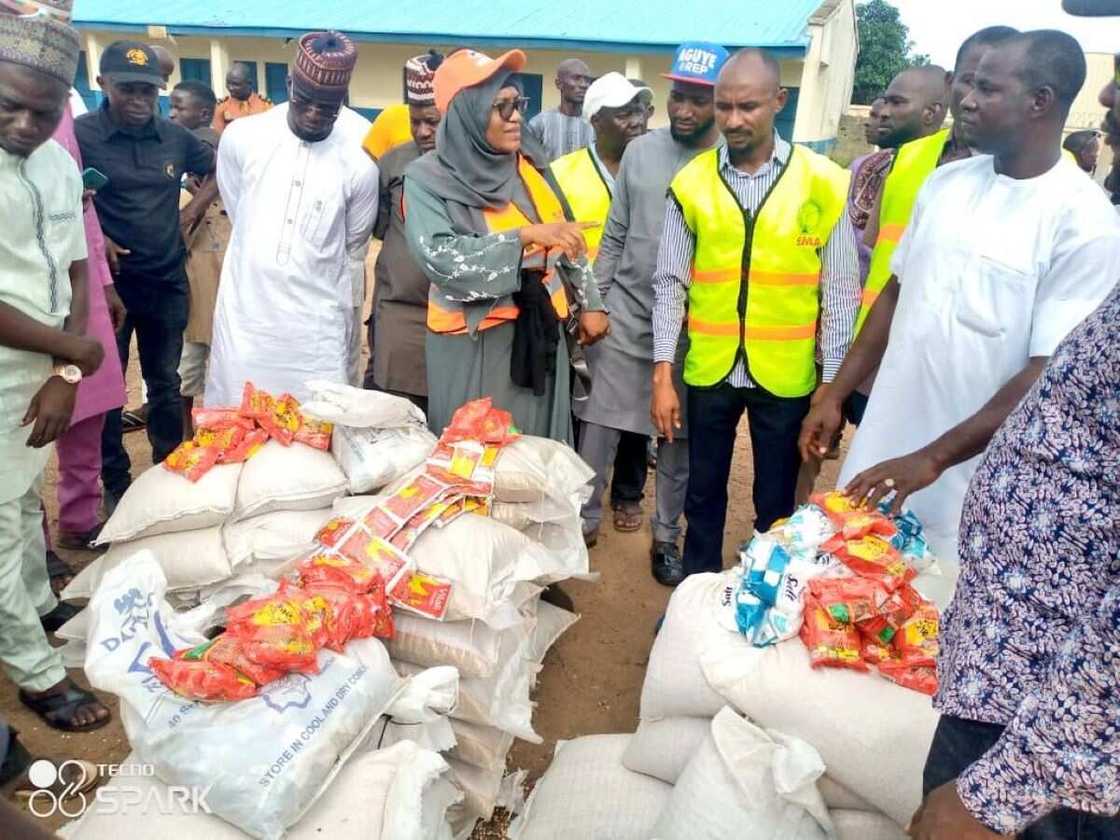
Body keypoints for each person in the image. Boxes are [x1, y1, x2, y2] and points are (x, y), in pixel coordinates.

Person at [801, 30, 1120, 570]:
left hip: (967, 485)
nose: (966, 99)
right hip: (880, 451)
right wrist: (836, 392)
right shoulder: (945, 186)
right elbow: (895, 294)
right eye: (967, 84)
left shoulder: (1085, 224)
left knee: (932, 622)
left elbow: (1049, 374)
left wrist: (932, 458)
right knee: (849, 598)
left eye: (988, 88)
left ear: (1040, 101)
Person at [652, 48, 860, 581]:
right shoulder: (692, 183)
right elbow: (670, 281)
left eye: (748, 106)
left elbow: (839, 294)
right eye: (724, 107)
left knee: (776, 500)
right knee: (702, 493)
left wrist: (830, 387)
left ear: (778, 102)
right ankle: (695, 595)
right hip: (711, 368)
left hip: (786, 374)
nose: (733, 120)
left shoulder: (823, 182)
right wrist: (661, 374)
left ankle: (765, 593)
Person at [571, 43, 726, 580]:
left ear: (720, 103)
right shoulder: (641, 152)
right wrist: (596, 302)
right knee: (598, 424)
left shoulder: (729, 158)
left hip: (692, 326)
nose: (684, 110)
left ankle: (666, 537)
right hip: (628, 313)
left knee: (675, 438)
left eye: (698, 101)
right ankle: (583, 522)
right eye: (677, 97)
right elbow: (614, 236)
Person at [404, 48, 610, 441]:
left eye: (518, 104)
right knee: (478, 462)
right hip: (475, 346)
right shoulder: (427, 179)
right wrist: (524, 239)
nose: (516, 117)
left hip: (541, 336)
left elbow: (565, 233)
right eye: (501, 107)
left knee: (538, 458)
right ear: (468, 113)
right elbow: (443, 261)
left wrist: (592, 304)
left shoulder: (529, 163)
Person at [0, 12, 112, 731]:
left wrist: (66, 372)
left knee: (17, 503)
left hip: (45, 367)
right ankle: (36, 673)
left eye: (44, 111)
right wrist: (74, 354)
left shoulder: (58, 163)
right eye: (8, 104)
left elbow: (75, 267)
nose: (23, 123)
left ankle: (40, 606)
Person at [76, 40, 216, 508]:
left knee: (164, 381)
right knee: (108, 389)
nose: (139, 100)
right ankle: (116, 484)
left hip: (164, 281)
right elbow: (65, 195)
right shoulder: (82, 136)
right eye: (127, 89)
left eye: (148, 91)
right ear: (102, 85)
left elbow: (216, 169)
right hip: (108, 289)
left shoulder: (174, 137)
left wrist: (192, 209)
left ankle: (166, 475)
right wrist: (97, 238)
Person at [205, 31, 378, 405]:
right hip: (248, 322)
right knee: (239, 428)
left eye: (329, 107)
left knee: (317, 436)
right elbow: (241, 212)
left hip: (317, 331)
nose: (315, 115)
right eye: (305, 102)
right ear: (289, 85)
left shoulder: (362, 149)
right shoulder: (244, 137)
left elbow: (353, 246)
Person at [549, 72, 657, 545]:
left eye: (642, 110)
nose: (637, 121)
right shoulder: (565, 172)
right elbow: (553, 240)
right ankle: (579, 495)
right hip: (580, 308)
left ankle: (629, 493)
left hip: (643, 305)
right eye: (624, 112)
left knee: (643, 401)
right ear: (596, 120)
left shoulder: (657, 165)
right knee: (586, 407)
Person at [364, 51, 443, 411]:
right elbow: (380, 226)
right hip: (400, 311)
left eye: (433, 121)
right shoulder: (394, 162)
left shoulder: (481, 165)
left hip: (456, 320)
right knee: (395, 419)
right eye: (416, 121)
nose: (423, 131)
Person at [170, 80, 227, 432]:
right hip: (195, 287)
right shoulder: (180, 198)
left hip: (220, 283)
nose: (172, 113)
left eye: (179, 107)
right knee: (191, 363)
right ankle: (187, 433)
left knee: (206, 361)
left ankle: (202, 431)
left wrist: (197, 202)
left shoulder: (207, 144)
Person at [527, 58, 594, 161]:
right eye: (576, 78)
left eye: (587, 80)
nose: (583, 85)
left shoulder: (594, 125)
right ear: (559, 84)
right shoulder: (540, 123)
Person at [211, 61, 271, 134]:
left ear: (249, 83)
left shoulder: (265, 105)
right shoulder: (221, 106)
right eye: (228, 83)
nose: (230, 88)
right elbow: (218, 136)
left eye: (236, 84)